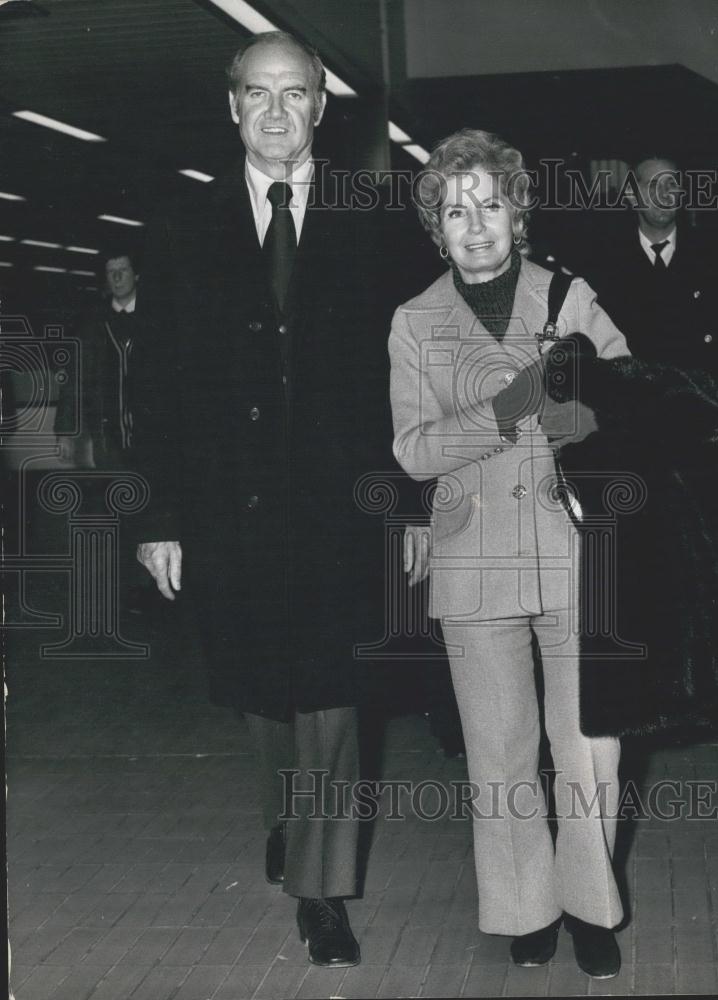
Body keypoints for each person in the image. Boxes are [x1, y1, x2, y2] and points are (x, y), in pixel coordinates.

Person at [132, 30, 397, 968]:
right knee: (264, 697)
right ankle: (287, 820)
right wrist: (160, 517)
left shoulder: (377, 219)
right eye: (260, 94)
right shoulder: (181, 228)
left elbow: (410, 379)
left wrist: (404, 508)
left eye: (297, 95)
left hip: (340, 510)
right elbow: (155, 385)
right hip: (227, 508)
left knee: (329, 694)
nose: (278, 113)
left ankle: (321, 894)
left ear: (323, 108)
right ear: (231, 105)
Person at [389, 128, 632, 979]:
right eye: (456, 211)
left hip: (573, 554)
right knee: (497, 751)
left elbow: (628, 397)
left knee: (585, 745)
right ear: (436, 227)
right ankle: (524, 908)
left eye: (490, 204)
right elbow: (413, 451)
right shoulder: (413, 321)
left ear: (517, 212)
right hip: (473, 561)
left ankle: (590, 905)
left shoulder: (566, 297)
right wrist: (507, 409)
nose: (476, 224)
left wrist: (575, 412)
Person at [583, 155, 718, 742]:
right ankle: (657, 706)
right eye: (654, 183)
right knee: (649, 572)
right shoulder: (602, 266)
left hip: (711, 438)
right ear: (631, 196)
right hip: (636, 440)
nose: (667, 192)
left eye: (674, 182)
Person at [55, 250, 139, 469]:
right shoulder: (92, 324)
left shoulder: (157, 320)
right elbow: (75, 378)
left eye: (123, 270)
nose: (117, 277)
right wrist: (65, 432)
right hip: (107, 438)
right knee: (116, 497)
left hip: (152, 436)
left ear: (136, 275)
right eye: (111, 272)